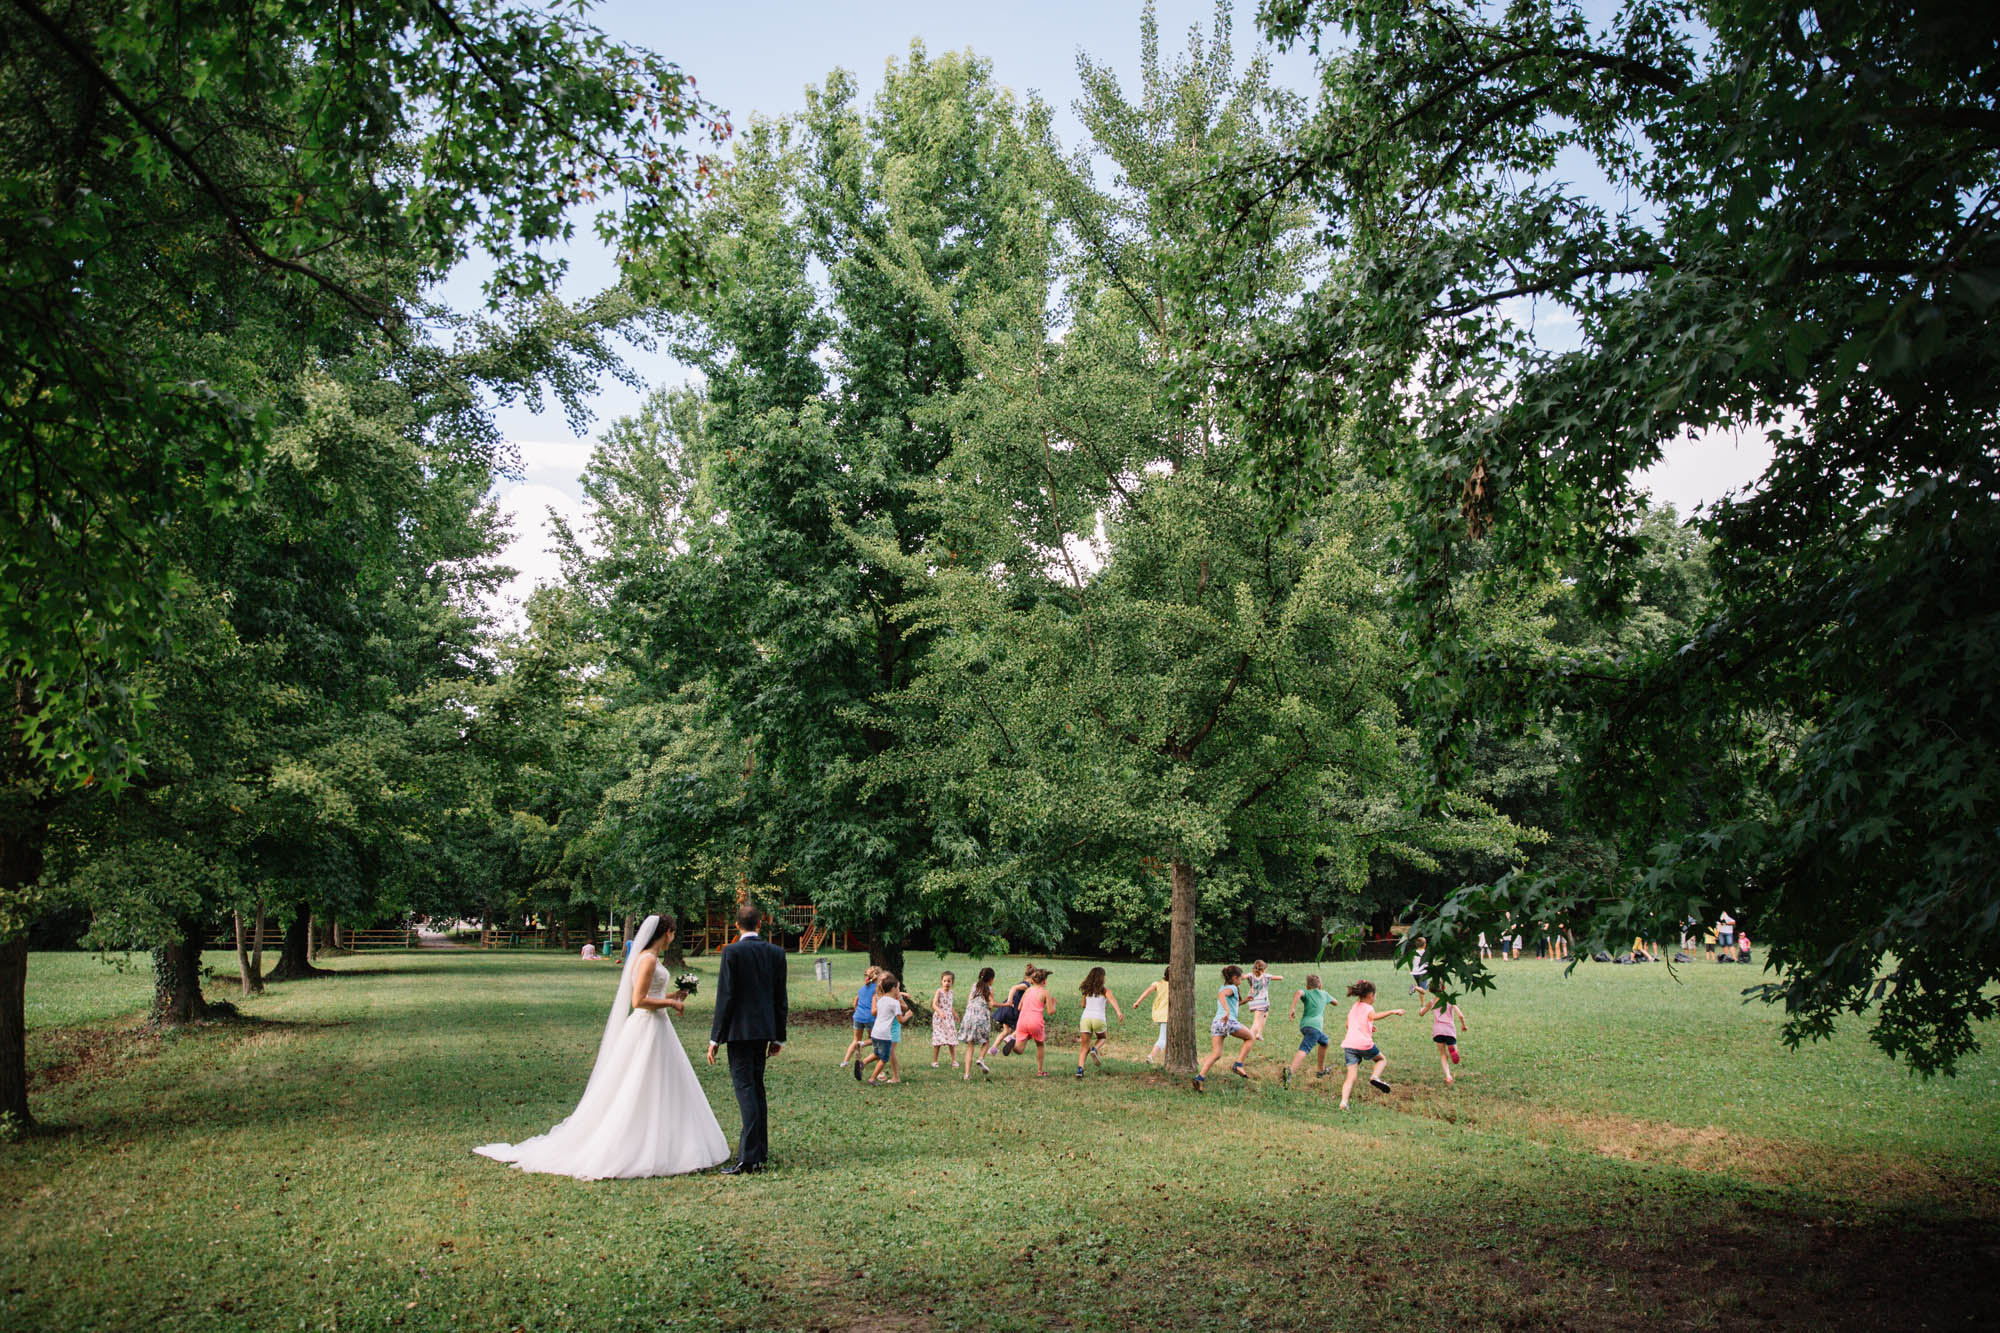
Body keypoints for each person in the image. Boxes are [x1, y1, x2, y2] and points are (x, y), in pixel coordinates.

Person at [474, 913, 730, 1178]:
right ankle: (638, 1143)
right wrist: (671, 1003)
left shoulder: (646, 958)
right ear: (666, 933)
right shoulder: (648, 960)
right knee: (638, 1083)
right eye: (673, 933)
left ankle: (670, 1141)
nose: (673, 938)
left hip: (658, 1028)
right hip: (647, 1027)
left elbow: (650, 995)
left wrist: (673, 995)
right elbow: (638, 1000)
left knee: (664, 1083)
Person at [707, 904, 789, 1175]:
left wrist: (715, 1038)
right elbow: (780, 998)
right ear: (760, 924)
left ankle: (750, 1158)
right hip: (765, 1030)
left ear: (736, 925)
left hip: (739, 1032)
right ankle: (758, 1150)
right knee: (756, 1088)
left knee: (746, 1091)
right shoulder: (776, 953)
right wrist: (779, 1036)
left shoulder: (731, 952)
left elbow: (726, 997)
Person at [1337, 980, 1403, 1110]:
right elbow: (1374, 1016)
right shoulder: (1369, 1008)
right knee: (1381, 1059)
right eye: (1375, 995)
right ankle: (1375, 1077)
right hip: (1363, 1044)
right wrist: (1392, 1011)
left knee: (1351, 1077)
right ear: (1371, 995)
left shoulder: (1354, 1007)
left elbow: (1348, 1025)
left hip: (1349, 1045)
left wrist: (1367, 1027)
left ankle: (1343, 1102)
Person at [1193, 965, 1257, 1092]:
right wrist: (1227, 1012)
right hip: (1228, 1021)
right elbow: (1221, 996)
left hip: (1217, 1023)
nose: (1241, 981)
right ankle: (1238, 1065)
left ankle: (1200, 1077)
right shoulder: (1232, 987)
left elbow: (1232, 1003)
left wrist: (1245, 1001)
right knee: (1250, 1037)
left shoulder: (1224, 986)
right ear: (1234, 978)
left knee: (1216, 1053)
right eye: (1240, 979)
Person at [1283, 973, 1336, 1087]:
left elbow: (1298, 992)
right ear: (1320, 985)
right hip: (1315, 1027)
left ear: (1307, 986)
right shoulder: (1324, 994)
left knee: (1325, 1042)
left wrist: (1293, 1008)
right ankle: (1290, 1072)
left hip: (1305, 1026)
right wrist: (1328, 999)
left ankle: (1320, 1071)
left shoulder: (1306, 992)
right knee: (1304, 1049)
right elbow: (1336, 1002)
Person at [859, 975, 909, 1085]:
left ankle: (863, 1063)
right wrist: (908, 1015)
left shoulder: (880, 1001)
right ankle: (872, 1078)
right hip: (884, 1035)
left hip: (875, 1033)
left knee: (877, 1053)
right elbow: (901, 1020)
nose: (899, 991)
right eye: (898, 988)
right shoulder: (895, 1003)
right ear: (893, 989)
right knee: (884, 1058)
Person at [1074, 966, 1123, 1076]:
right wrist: (1119, 1012)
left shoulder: (1086, 991)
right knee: (1102, 1037)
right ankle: (1095, 1049)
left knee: (1084, 1046)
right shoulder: (1105, 990)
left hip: (1085, 1019)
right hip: (1098, 1018)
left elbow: (1083, 1005)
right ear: (1102, 978)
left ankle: (1080, 1070)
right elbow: (1112, 1000)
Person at [1012, 968, 1055, 1076]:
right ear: (1044, 981)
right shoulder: (1045, 992)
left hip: (1022, 1021)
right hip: (1035, 1021)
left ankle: (1011, 1043)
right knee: (1040, 1045)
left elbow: (1019, 1007)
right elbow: (1050, 1011)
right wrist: (1053, 1004)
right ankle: (1040, 1071)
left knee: (1019, 1050)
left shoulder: (1027, 991)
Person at [1418, 991, 1466, 1085]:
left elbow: (1421, 1013)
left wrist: (1422, 1005)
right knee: (1453, 1048)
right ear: (1444, 987)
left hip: (1438, 1030)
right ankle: (1453, 1050)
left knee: (1443, 1054)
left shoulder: (1432, 1002)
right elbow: (1460, 1015)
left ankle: (1448, 1076)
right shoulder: (1450, 1000)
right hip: (1449, 1030)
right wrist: (1464, 1025)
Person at [840, 966, 882, 1069]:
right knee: (875, 1039)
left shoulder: (862, 988)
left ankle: (845, 1062)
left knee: (855, 1040)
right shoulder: (877, 990)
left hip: (858, 1016)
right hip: (870, 1018)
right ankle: (863, 1044)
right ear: (878, 977)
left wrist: (858, 1012)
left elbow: (855, 1002)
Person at [988, 965, 1034, 1058]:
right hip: (1012, 1008)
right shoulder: (1026, 985)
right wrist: (1009, 1001)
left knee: (1006, 1030)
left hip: (1007, 1008)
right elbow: (1014, 988)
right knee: (1023, 1027)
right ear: (1032, 976)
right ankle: (1011, 1038)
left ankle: (993, 1049)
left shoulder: (1026, 984)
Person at [959, 968, 995, 1080]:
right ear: (991, 979)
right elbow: (991, 1005)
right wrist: (1006, 1004)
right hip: (981, 1019)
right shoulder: (989, 989)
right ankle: (980, 1058)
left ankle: (966, 1075)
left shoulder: (974, 986)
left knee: (970, 1046)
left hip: (968, 1017)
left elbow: (969, 1001)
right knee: (986, 1041)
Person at [1132, 968, 1171, 1065]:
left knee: (1167, 1037)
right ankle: (1151, 1056)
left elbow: (1146, 992)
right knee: (1163, 1038)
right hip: (1167, 1015)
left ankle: (1168, 1059)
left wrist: (1137, 1002)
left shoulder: (1157, 983)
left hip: (1159, 1014)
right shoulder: (1176, 986)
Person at [1243, 960, 1285, 1042]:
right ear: (1263, 969)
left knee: (1265, 1014)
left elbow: (1243, 977)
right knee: (1256, 1021)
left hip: (1253, 1000)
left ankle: (1259, 1033)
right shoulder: (1266, 976)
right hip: (1262, 1001)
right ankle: (1250, 1036)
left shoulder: (1250, 976)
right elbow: (1280, 978)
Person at [931, 971, 959, 1069]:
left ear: (952, 982)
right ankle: (934, 1061)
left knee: (951, 1040)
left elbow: (949, 1005)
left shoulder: (951, 993)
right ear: (941, 981)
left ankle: (954, 1060)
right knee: (938, 1040)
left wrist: (955, 1014)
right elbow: (934, 1004)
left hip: (949, 1020)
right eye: (945, 981)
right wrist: (939, 1011)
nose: (947, 983)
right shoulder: (939, 991)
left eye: (949, 981)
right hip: (939, 1019)